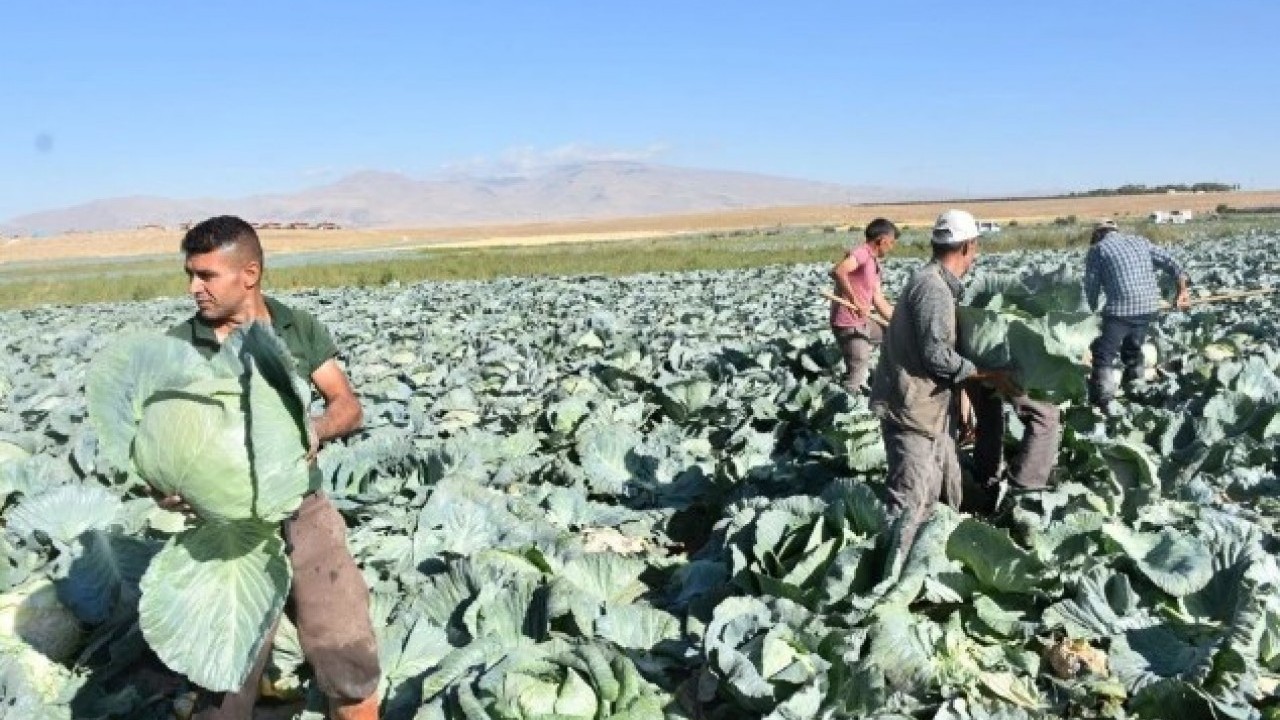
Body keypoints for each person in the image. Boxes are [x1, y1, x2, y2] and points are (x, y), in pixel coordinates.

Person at [163, 216, 380, 720]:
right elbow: (158, 441)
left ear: (250, 274)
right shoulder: (177, 347)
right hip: (226, 527)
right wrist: (165, 487)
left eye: (206, 275)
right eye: (190, 275)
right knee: (224, 683)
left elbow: (348, 405)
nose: (194, 288)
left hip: (304, 509)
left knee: (348, 658)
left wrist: (316, 429)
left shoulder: (294, 328)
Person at [870, 209, 1017, 560]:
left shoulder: (932, 281)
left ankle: (935, 560)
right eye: (975, 248)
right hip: (912, 411)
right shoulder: (933, 289)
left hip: (930, 409)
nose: (975, 255)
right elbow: (937, 355)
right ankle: (893, 571)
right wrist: (986, 375)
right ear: (967, 247)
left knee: (947, 488)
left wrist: (961, 401)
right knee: (911, 501)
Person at [1083, 219, 1191, 412]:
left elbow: (1091, 288)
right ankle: (1136, 391)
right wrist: (1182, 291)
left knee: (1103, 354)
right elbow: (1172, 264)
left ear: (1097, 235)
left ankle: (1103, 402)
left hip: (1121, 310)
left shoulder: (1098, 250)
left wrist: (1086, 315)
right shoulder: (1140, 242)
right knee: (1132, 350)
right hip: (1148, 306)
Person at [829, 218, 897, 392]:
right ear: (882, 240)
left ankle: (890, 375)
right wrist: (855, 300)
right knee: (857, 372)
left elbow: (879, 300)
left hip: (863, 321)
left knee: (894, 334)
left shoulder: (874, 264)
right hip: (848, 323)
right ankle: (847, 399)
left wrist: (900, 322)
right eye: (891, 242)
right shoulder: (862, 253)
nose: (892, 247)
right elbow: (839, 272)